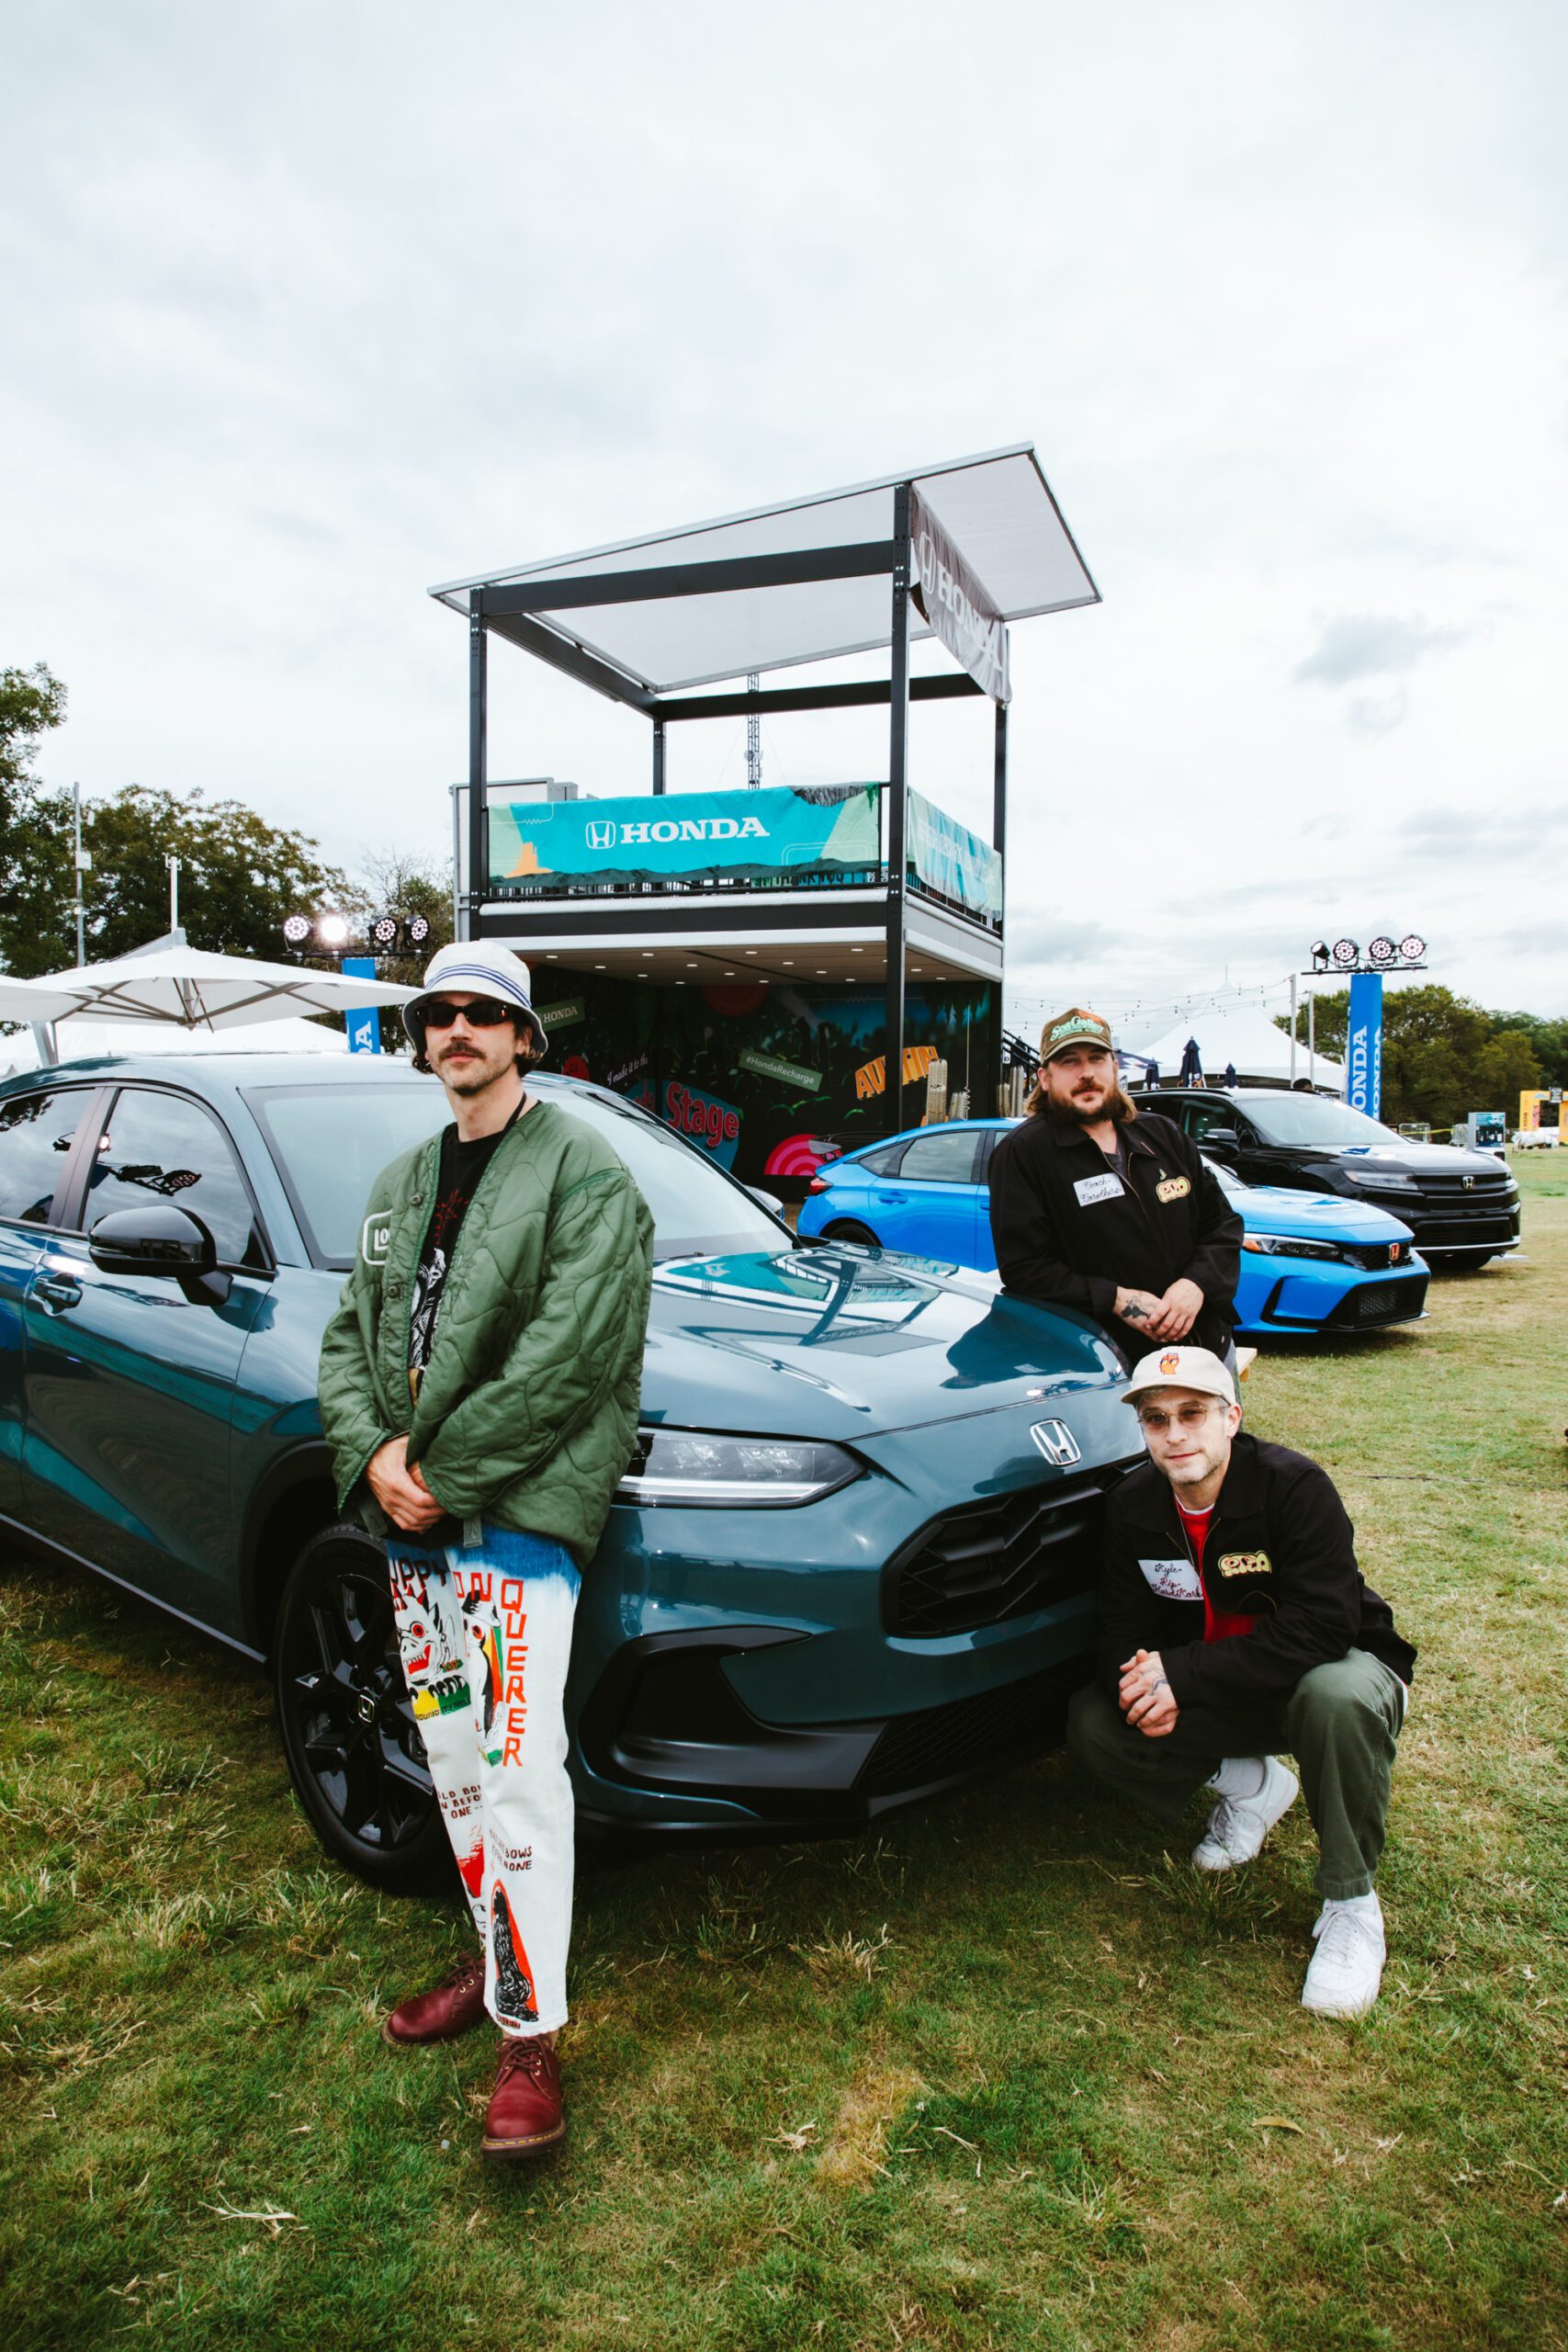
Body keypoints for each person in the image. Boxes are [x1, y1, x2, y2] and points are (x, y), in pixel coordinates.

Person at [319, 943, 653, 2160]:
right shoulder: (401, 1180)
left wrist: (438, 1477)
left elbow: (570, 1362)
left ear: (523, 1035)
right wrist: (374, 1460)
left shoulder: (586, 1171)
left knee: (517, 1772)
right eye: (439, 1013)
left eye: (482, 1014)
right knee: (453, 1759)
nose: (456, 1030)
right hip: (414, 1525)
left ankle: (531, 2041)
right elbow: (347, 1340)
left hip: (512, 1520)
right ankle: (497, 1957)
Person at [1066, 1347, 1415, 2018]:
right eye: (1155, 1419)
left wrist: (1185, 1672)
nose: (1174, 1435)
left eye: (1192, 1414)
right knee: (1096, 1720)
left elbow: (1324, 1624)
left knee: (1334, 1697)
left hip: (1327, 1671)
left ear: (1231, 1417)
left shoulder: (1292, 1485)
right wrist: (1141, 1683)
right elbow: (1119, 1625)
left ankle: (1350, 1906)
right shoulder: (1132, 1505)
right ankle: (1251, 1787)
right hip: (1225, 1687)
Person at [987, 1006, 1242, 1368]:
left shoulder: (1163, 1134)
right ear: (1044, 1078)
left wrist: (1196, 1284)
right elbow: (1025, 1268)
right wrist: (1116, 1298)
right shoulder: (1023, 1154)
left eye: (1096, 1058)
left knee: (1218, 1427)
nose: (1087, 1073)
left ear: (1114, 1067)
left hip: (1207, 1348)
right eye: (1070, 1062)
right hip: (1107, 1362)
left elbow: (1222, 1225)